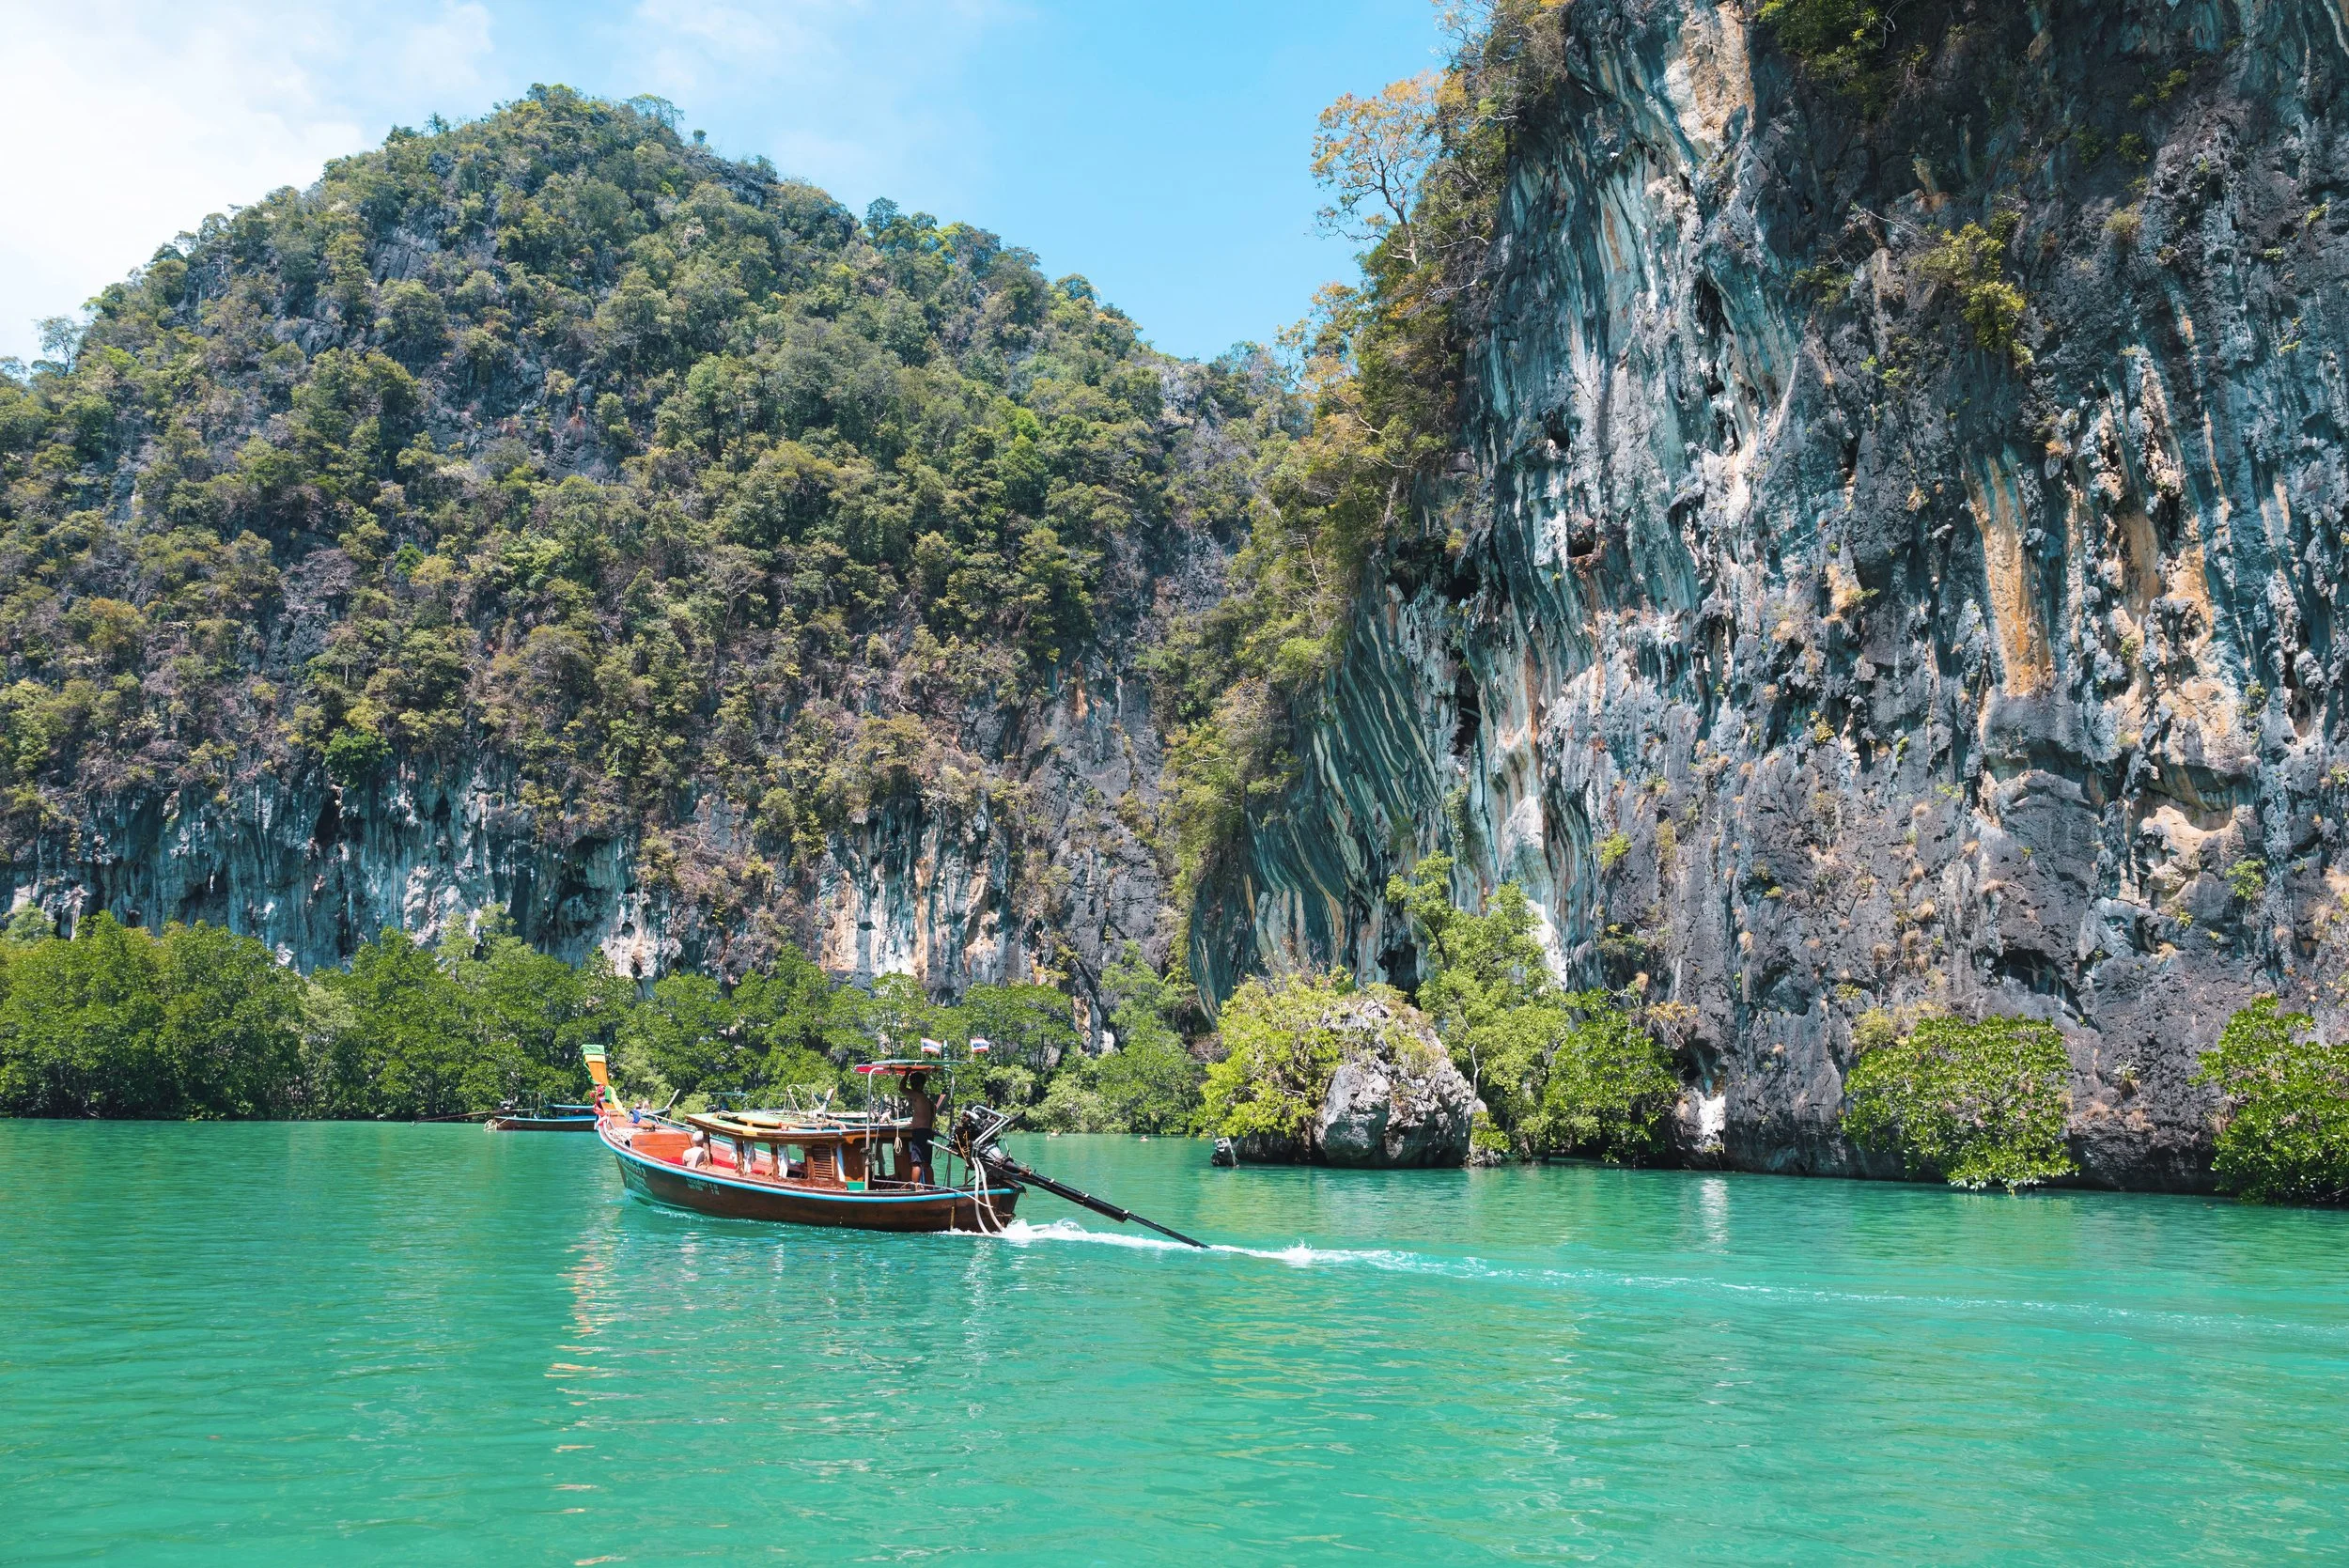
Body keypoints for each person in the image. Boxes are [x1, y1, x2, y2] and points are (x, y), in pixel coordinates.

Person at [902, 1069, 946, 1187]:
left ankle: (914, 1188)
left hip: (920, 1133)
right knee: (926, 1163)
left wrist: (906, 1073)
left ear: (920, 1085)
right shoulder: (928, 1101)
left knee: (916, 1162)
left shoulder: (917, 1096)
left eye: (914, 1084)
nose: (913, 1086)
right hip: (927, 1132)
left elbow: (901, 1088)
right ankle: (930, 1186)